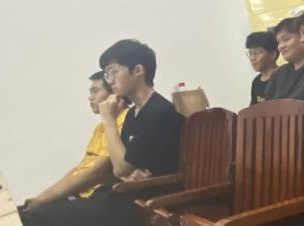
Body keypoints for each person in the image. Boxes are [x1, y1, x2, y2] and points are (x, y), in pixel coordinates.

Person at [21, 39, 183, 226]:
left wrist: (109, 120)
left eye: (113, 71)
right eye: (107, 73)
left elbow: (121, 167)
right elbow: (120, 169)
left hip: (143, 203)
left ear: (138, 70)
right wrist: (128, 172)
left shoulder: (160, 110)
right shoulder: (133, 114)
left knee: (36, 219)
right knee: (36, 213)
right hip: (123, 193)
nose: (110, 80)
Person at [19, 72, 129, 215]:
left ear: (114, 94)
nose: (90, 97)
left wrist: (43, 200)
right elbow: (80, 168)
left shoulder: (124, 121)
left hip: (99, 197)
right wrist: (43, 197)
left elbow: (97, 172)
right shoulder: (101, 127)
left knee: (31, 218)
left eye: (95, 91)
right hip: (81, 194)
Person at [263, 18, 304, 101]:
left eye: (286, 39)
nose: (281, 46)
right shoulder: (278, 74)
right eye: (278, 42)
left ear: (302, 37)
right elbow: (268, 105)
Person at [246, 31, 279, 105]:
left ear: (272, 54)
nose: (252, 58)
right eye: (250, 53)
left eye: (257, 53)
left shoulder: (283, 77)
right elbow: (253, 109)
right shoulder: (256, 82)